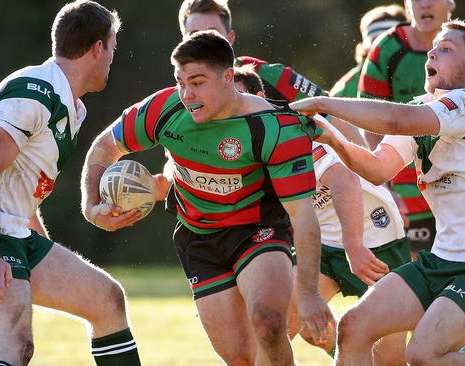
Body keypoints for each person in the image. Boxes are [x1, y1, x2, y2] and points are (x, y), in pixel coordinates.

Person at [81, 30, 333, 365]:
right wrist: (90, 205)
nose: (187, 93)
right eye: (181, 82)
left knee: (270, 325)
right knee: (241, 357)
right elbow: (105, 146)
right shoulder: (165, 108)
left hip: (257, 231)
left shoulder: (274, 127)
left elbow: (302, 215)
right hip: (198, 239)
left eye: (197, 82)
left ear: (228, 76)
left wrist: (310, 294)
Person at [291, 20, 465, 365]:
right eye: (433, 48)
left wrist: (326, 104)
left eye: (445, 49)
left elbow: (396, 121)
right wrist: (333, 139)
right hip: (441, 259)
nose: (432, 52)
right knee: (353, 328)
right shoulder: (423, 109)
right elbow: (376, 168)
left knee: (421, 354)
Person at [0, 2, 143, 366]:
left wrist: (40, 242)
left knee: (106, 300)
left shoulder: (71, 107)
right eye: (112, 47)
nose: (112, 58)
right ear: (97, 48)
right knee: (15, 348)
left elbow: (20, 185)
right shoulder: (36, 90)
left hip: (16, 232)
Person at [235, 64, 411, 364]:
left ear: (261, 97)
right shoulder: (236, 143)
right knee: (288, 326)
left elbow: (345, 180)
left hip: (373, 237)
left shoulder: (288, 133)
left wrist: (354, 244)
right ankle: (352, 356)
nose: (233, 112)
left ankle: (453, 355)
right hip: (322, 242)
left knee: (390, 360)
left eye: (240, 101)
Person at [357, 0, 465, 266]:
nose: (425, 4)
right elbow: (372, 121)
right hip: (408, 182)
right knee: (419, 267)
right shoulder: (386, 48)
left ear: (451, 3)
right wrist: (385, 187)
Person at [178, 0, 365, 146]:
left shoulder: (268, 75)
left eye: (212, 33)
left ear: (230, 38)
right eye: (194, 34)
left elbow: (334, 116)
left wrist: (375, 180)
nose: (203, 42)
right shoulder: (182, 95)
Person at [329, 4, 407, 99]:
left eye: (393, 41)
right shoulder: (345, 91)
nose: (384, 47)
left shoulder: (427, 72)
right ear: (365, 46)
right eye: (376, 40)